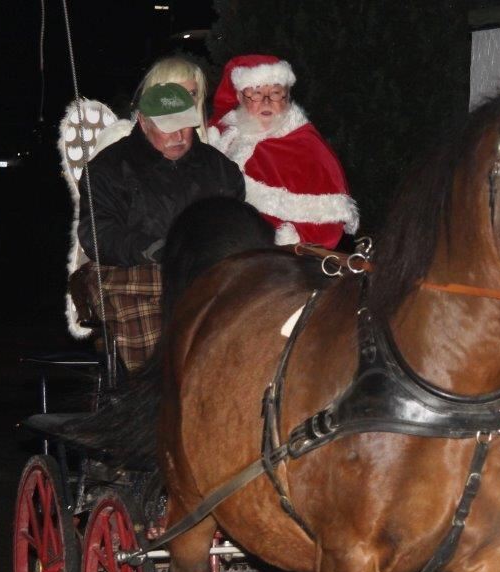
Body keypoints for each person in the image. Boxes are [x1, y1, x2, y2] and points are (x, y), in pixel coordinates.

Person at [74, 82, 245, 370]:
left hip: (203, 271)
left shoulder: (220, 169)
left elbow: (236, 225)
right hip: (134, 271)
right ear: (142, 121)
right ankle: (154, 397)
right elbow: (96, 233)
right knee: (160, 329)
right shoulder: (108, 168)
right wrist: (148, 248)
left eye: (186, 126)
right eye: (169, 127)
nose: (179, 136)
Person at [208, 54, 358, 249]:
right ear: (239, 97)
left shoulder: (307, 145)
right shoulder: (224, 137)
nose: (266, 101)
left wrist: (291, 239)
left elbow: (330, 225)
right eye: (256, 93)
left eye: (276, 93)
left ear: (287, 97)